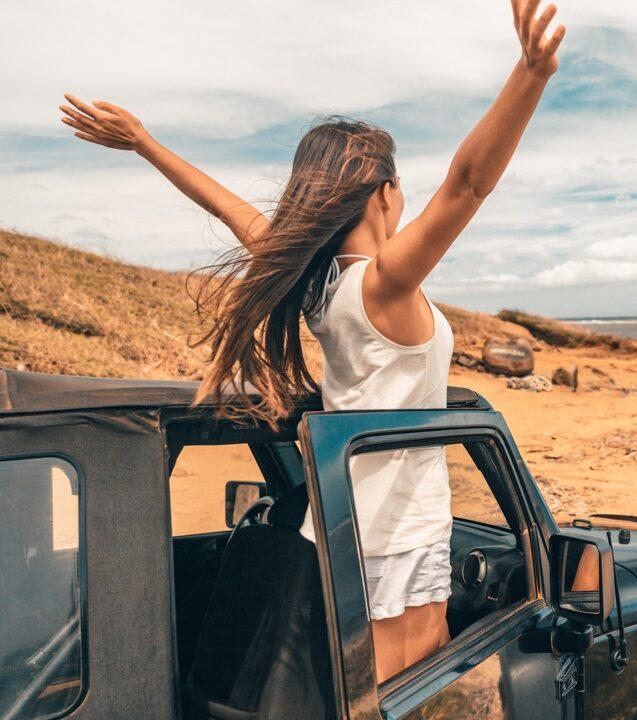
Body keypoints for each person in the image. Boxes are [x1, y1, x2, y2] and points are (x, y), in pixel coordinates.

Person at [58, 0, 566, 683]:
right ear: (386, 193)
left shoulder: (319, 286)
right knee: (399, 689)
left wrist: (146, 142)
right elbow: (469, 183)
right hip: (394, 533)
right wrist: (530, 76)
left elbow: (226, 206)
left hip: (344, 521)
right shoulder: (384, 282)